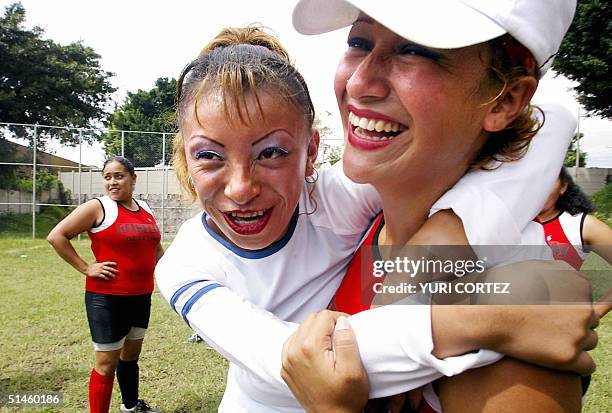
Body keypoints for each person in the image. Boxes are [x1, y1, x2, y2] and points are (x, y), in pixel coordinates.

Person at [155, 25, 596, 413]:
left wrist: (448, 232)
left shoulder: (335, 198)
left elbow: (552, 118)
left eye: (272, 152)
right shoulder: (185, 264)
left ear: (311, 152)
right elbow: (292, 364)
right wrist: (490, 319)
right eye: (209, 155)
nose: (240, 188)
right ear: (186, 158)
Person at [283, 0, 602, 412]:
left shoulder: (516, 342)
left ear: (506, 100)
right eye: (359, 42)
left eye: (415, 50)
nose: (361, 82)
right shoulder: (358, 231)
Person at [47, 156, 164, 413]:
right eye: (107, 176)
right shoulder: (98, 207)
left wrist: (167, 272)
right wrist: (86, 267)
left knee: (130, 356)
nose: (112, 182)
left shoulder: (145, 209)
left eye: (119, 176)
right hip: (108, 299)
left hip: (141, 296)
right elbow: (57, 236)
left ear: (134, 179)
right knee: (106, 363)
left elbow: (155, 247)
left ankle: (131, 407)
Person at [538, 167, 612, 270]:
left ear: (563, 186)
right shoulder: (511, 223)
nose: (538, 189)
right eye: (531, 181)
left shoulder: (583, 225)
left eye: (547, 181)